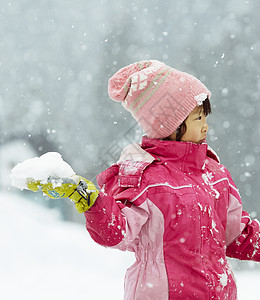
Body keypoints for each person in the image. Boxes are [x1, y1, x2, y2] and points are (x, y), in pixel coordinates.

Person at [27, 60, 260, 299]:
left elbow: (237, 234)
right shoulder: (146, 177)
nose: (206, 127)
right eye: (198, 118)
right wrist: (92, 201)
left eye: (205, 117)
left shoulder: (214, 174)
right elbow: (118, 231)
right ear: (171, 124)